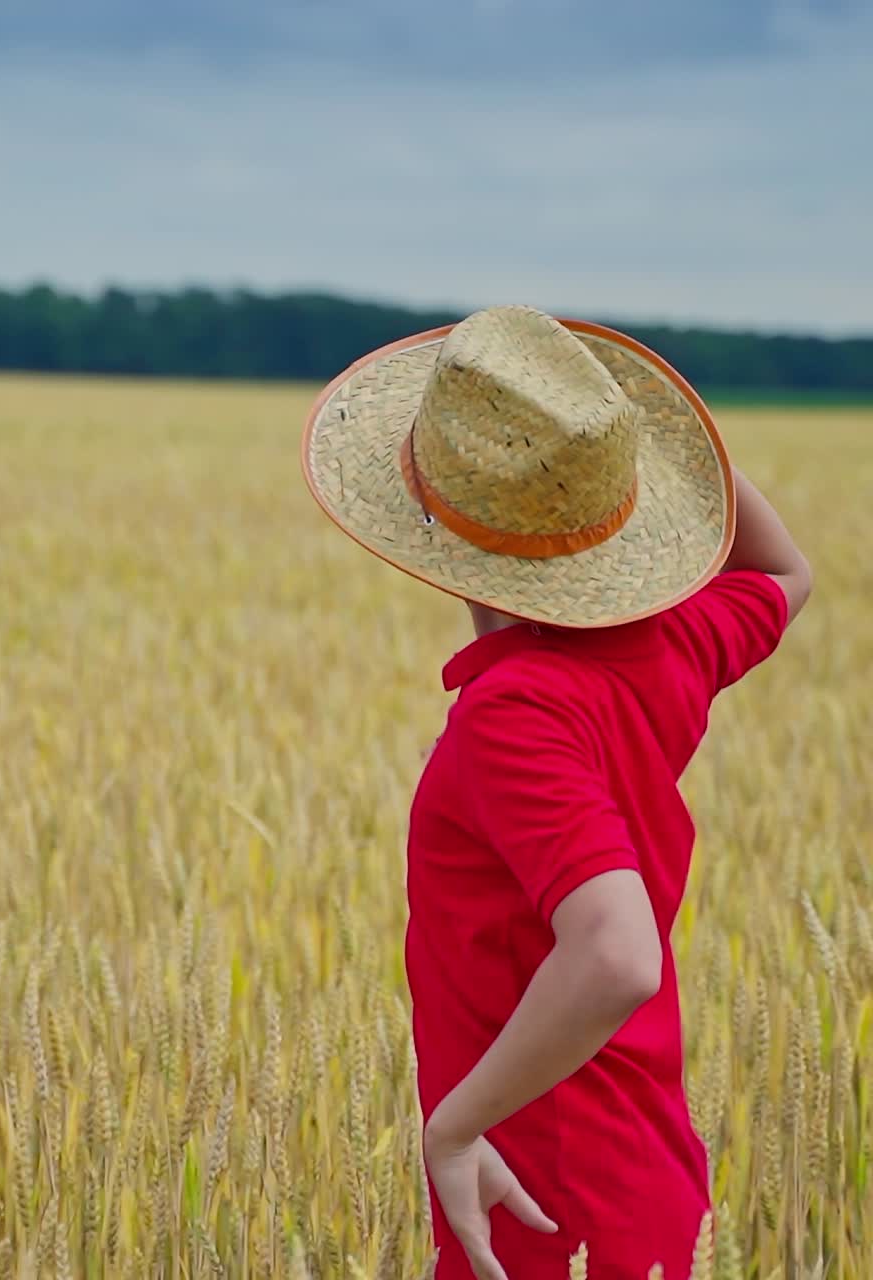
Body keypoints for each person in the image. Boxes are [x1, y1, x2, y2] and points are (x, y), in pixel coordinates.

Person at [300, 304, 812, 1279]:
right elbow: (784, 571)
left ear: (424, 513)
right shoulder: (671, 641)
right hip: (641, 1172)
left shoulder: (514, 711)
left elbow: (616, 954)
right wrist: (666, 457)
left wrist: (453, 1128)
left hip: (540, 1194)